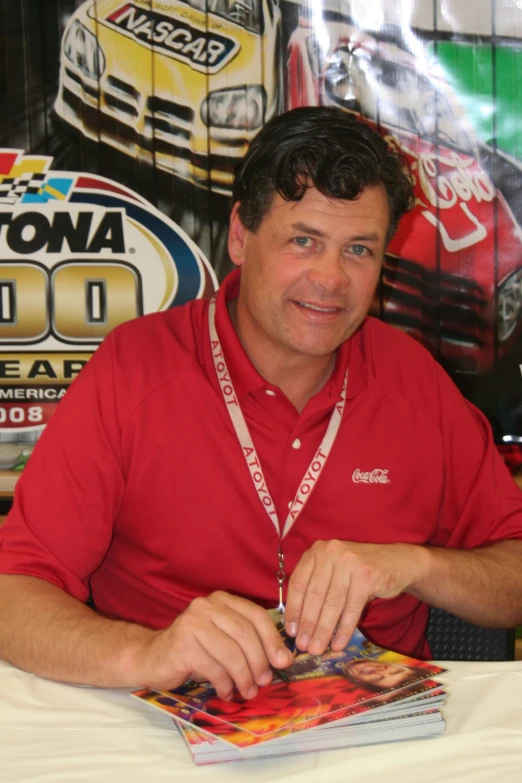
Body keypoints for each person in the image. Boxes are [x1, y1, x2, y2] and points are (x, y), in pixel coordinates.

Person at [0, 107, 521, 704]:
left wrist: (416, 566)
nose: (330, 279)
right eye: (304, 241)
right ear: (242, 237)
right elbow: (13, 593)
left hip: (373, 739)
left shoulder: (415, 385)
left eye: (358, 250)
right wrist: (148, 652)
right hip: (166, 725)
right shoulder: (134, 370)